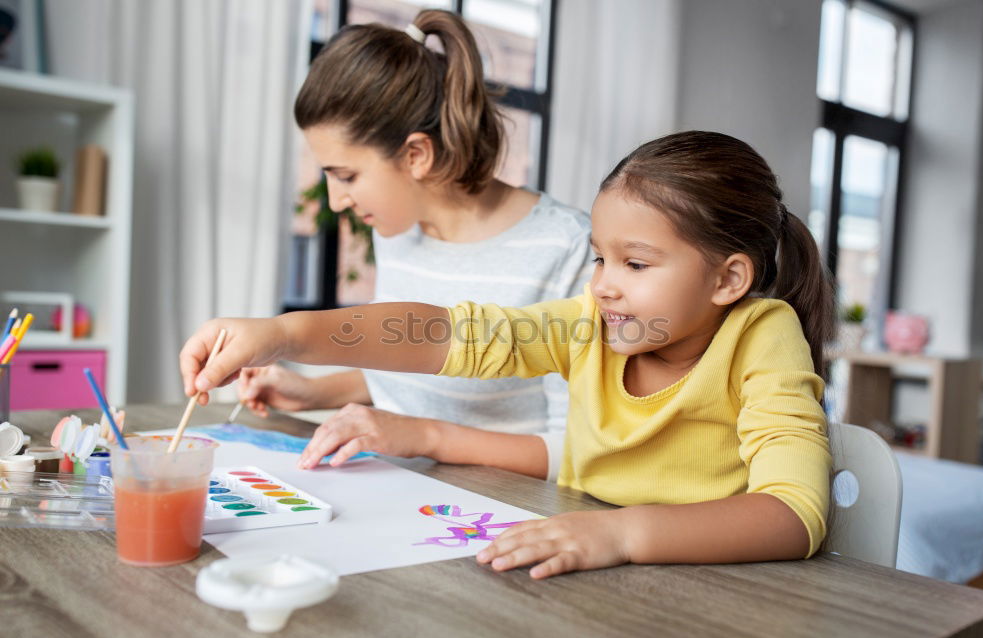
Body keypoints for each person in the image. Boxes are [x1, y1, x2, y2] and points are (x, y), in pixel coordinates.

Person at [180, 130, 835, 580]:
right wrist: (287, 334)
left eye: (635, 263)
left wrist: (621, 536)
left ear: (728, 280)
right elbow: (446, 334)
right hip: (580, 564)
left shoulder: (762, 334)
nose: (603, 282)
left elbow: (792, 516)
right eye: (601, 257)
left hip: (706, 594)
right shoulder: (591, 323)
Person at [240, 9, 592, 481]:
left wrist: (427, 436)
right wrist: (314, 393)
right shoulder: (400, 234)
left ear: (416, 155)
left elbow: (577, 451)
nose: (337, 201)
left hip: (497, 517)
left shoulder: (568, 248)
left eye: (347, 175)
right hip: (393, 491)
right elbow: (415, 381)